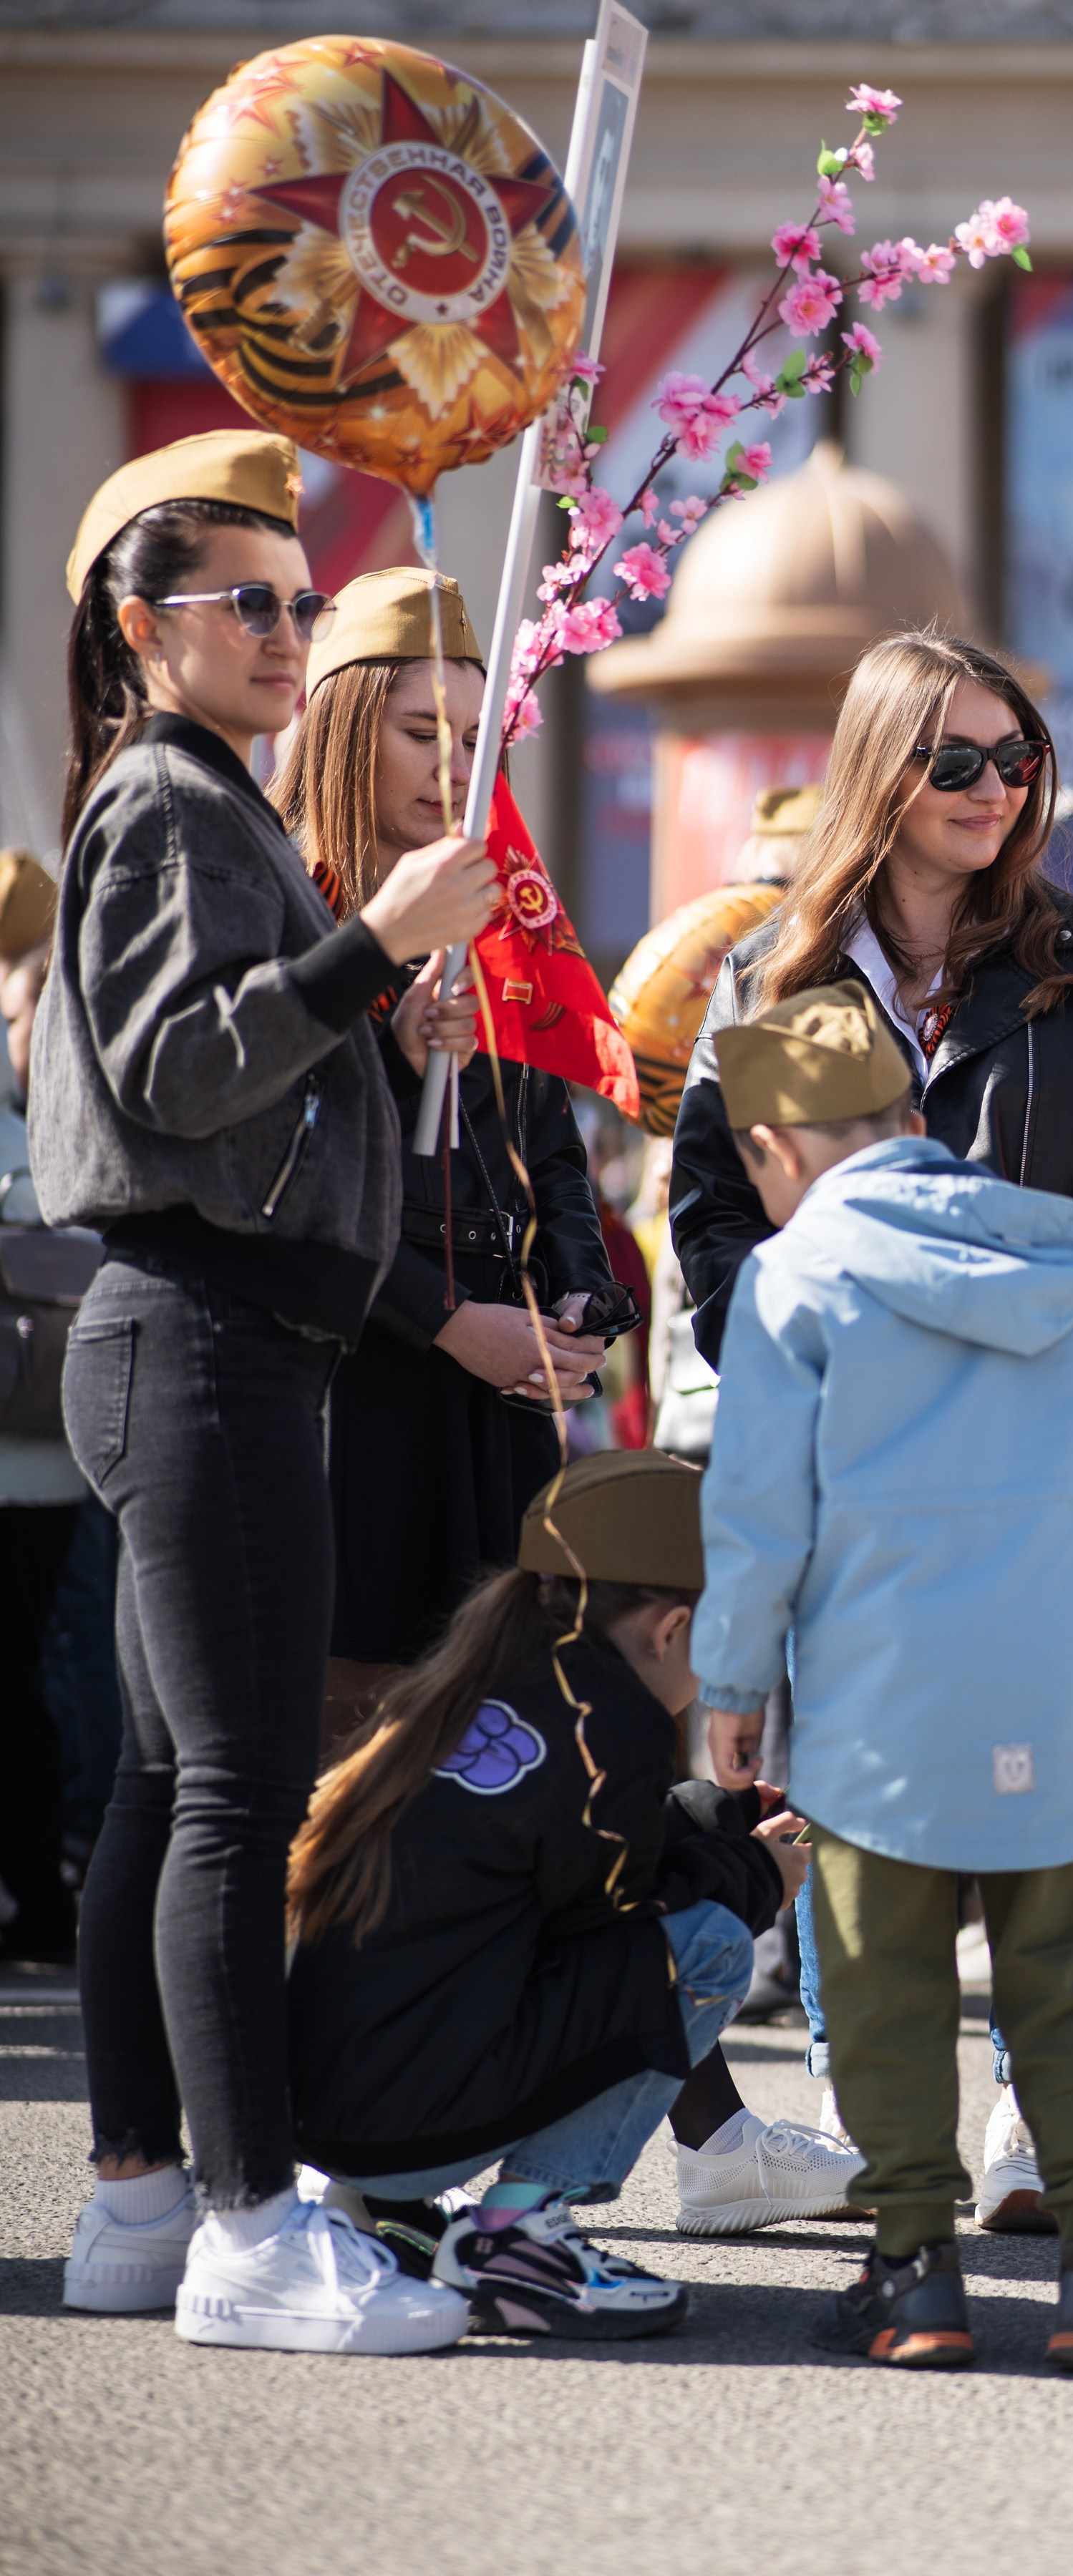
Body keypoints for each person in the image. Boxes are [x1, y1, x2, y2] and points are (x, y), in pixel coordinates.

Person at [37, 429, 495, 2352]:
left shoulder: (192, 798)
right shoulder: (167, 800)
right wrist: (370, 946)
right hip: (202, 1333)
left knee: (172, 1788)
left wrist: (383, 1002)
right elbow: (175, 1072)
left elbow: (248, 1083)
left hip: (204, 1333)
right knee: (233, 1793)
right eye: (253, 603)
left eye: (301, 603)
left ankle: (147, 2192)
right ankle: (243, 2225)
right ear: (143, 627)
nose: (292, 632)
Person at [671, 630, 1073, 2218]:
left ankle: (1039, 2122)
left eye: (1016, 756)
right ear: (883, 770)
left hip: (1043, 1463)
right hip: (852, 1466)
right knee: (852, 1792)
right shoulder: (772, 974)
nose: (996, 788)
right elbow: (709, 1196)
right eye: (957, 759)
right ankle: (871, 2109)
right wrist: (776, 1359)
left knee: (1046, 1785)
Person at [693, 981, 1073, 2373]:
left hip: (876, 1704)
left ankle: (915, 2273)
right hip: (1050, 1681)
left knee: (882, 1976)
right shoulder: (1057, 1262)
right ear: (915, 1125)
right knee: (1069, 1975)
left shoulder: (791, 1278)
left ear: (776, 1153)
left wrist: (731, 1682)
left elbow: (757, 1509)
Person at [286, 1451, 804, 2339]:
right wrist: (759, 1877)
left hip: (334, 2113)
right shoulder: (616, 1726)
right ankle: (518, 2233)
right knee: (712, 1943)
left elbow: (579, 1859)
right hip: (406, 2118)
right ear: (674, 1628)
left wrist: (713, 1818)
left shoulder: (502, 1678)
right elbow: (620, 1924)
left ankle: (386, 2210)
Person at [269, 567, 616, 1745]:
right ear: (347, 730)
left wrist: (576, 1297)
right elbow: (291, 1181)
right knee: (348, 1725)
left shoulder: (493, 905)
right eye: (423, 732)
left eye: (476, 735)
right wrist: (451, 1321)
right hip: (362, 1373)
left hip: (500, 1383)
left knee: (487, 1730)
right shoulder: (294, 921)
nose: (454, 764)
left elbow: (548, 1140)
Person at [0, 852, 87, 1963]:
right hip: (59, 1445)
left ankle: (40, 1889)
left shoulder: (57, 1124)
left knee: (29, 1680)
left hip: (52, 1457)